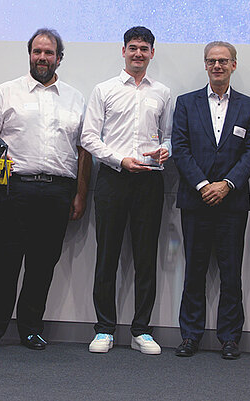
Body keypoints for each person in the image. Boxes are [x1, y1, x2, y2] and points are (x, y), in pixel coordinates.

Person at [0, 28, 91, 352]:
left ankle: (31, 328)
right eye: (37, 52)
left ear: (59, 58)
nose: (42, 57)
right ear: (30, 55)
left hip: (58, 192)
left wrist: (81, 194)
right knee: (4, 263)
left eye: (48, 52)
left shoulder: (75, 98)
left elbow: (84, 150)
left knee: (42, 264)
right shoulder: (7, 92)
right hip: (15, 188)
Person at [80, 26, 171, 355]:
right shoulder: (104, 90)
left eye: (144, 49)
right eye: (132, 48)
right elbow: (89, 138)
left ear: (151, 53)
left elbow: (169, 136)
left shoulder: (162, 92)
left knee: (146, 257)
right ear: (123, 51)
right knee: (107, 256)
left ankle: (141, 330)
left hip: (149, 181)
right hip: (113, 179)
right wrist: (120, 160)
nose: (137, 53)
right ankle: (104, 328)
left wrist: (166, 150)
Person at [171, 41, 250, 360]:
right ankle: (191, 336)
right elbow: (180, 148)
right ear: (205, 65)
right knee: (194, 271)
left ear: (234, 65)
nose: (218, 66)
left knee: (230, 272)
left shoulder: (249, 106)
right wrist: (202, 184)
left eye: (224, 61)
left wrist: (227, 184)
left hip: (232, 203)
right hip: (195, 201)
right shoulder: (186, 103)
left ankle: (229, 338)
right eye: (212, 61)